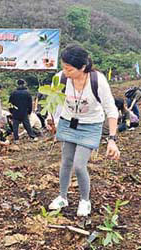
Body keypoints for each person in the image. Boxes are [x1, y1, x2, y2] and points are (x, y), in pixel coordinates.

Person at [47, 45, 120, 217]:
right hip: (68, 122)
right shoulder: (60, 79)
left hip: (91, 124)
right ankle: (62, 197)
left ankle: (84, 200)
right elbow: (55, 102)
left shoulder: (97, 80)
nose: (65, 72)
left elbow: (111, 109)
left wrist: (112, 139)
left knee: (79, 165)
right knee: (65, 161)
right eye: (63, 67)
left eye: (69, 69)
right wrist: (53, 121)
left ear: (82, 67)